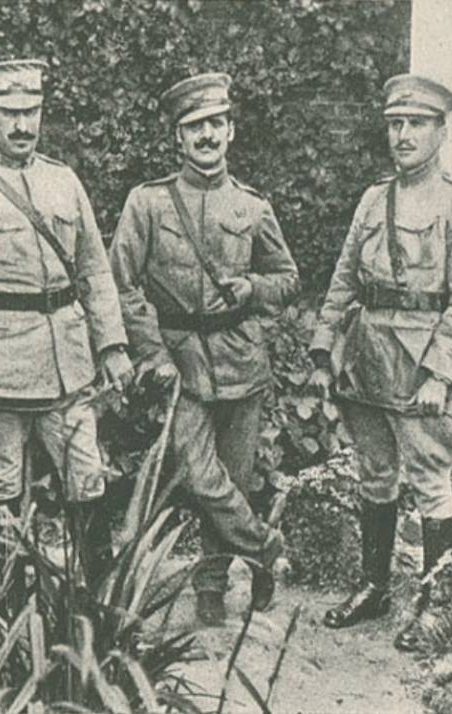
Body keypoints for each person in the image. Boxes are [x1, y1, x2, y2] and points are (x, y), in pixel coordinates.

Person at [0, 59, 133, 592]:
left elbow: (93, 270)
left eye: (31, 111)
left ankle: (96, 606)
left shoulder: (63, 182)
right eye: (10, 113)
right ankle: (7, 610)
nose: (22, 126)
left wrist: (112, 345)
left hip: (67, 367)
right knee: (2, 490)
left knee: (88, 481)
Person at [110, 73, 299, 626]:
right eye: (195, 127)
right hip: (179, 360)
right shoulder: (146, 204)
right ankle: (265, 549)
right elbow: (122, 283)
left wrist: (254, 289)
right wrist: (152, 354)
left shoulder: (252, 206)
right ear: (178, 138)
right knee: (197, 473)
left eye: (216, 123)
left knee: (232, 480)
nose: (207, 135)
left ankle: (213, 590)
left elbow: (287, 278)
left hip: (242, 358)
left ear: (231, 131)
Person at [308, 74, 452, 651]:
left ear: (440, 130)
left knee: (432, 483)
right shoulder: (372, 199)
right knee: (375, 476)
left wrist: (442, 373)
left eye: (415, 124)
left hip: (421, 368)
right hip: (368, 363)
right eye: (395, 123)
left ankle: (440, 605)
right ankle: (374, 585)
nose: (403, 135)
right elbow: (342, 281)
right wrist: (322, 352)